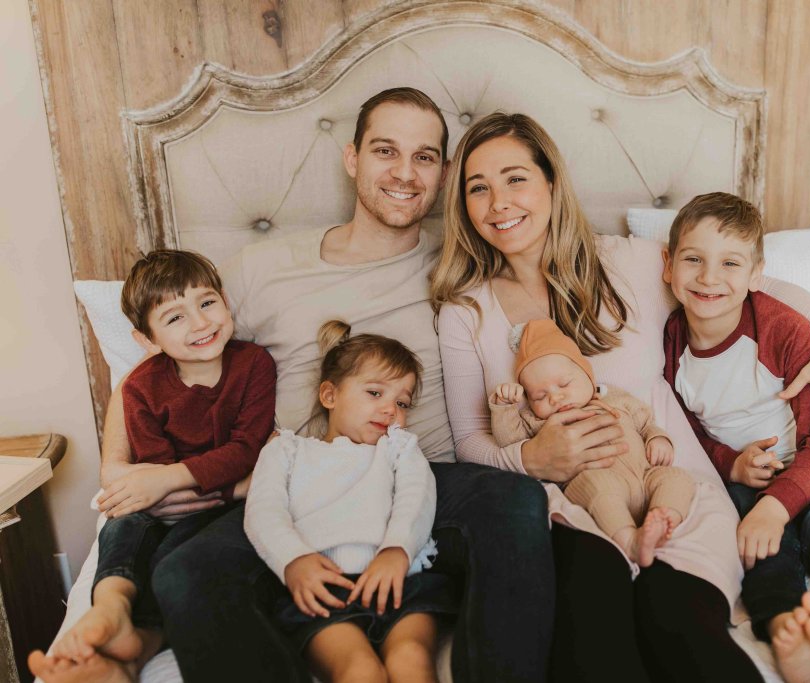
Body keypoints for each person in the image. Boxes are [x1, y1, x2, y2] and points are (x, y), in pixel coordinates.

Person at [90, 88, 552, 683]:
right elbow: (156, 366)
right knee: (185, 572)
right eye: (387, 150)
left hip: (418, 476)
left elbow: (545, 285)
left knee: (516, 500)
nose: (405, 174)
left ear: (443, 172)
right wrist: (117, 473)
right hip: (293, 480)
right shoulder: (265, 269)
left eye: (426, 156)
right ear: (353, 157)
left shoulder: (462, 260)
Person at [430, 112, 810, 682]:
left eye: (515, 179)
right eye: (477, 188)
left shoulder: (629, 263)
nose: (498, 202)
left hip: (675, 489)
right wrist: (530, 459)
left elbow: (749, 279)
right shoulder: (466, 313)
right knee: (594, 627)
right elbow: (469, 442)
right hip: (568, 512)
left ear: (551, 184)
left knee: (680, 622)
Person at [662, 192, 810, 683]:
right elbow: (687, 429)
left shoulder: (783, 329)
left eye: (730, 263)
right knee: (757, 548)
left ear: (756, 274)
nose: (709, 277)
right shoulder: (670, 342)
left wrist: (779, 504)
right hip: (746, 473)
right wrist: (731, 464)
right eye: (693, 259)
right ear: (668, 265)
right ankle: (787, 630)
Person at [29, 250, 275, 682]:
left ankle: (136, 637)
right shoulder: (141, 388)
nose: (200, 323)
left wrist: (170, 479)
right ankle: (110, 605)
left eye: (206, 302)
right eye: (175, 317)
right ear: (147, 339)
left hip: (222, 502)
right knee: (123, 520)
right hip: (166, 499)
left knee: (171, 559)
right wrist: (159, 484)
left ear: (225, 302)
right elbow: (151, 468)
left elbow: (247, 448)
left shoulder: (254, 365)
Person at [246, 320, 458, 683]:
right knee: (359, 670)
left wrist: (397, 551)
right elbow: (264, 511)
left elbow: (416, 497)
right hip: (324, 588)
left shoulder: (399, 449)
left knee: (410, 659)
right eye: (375, 393)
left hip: (400, 580)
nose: (391, 410)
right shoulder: (287, 449)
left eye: (402, 402)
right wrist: (293, 560)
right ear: (329, 396)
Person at [491, 318, 694, 566]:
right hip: (599, 480)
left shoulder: (615, 399)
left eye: (564, 384)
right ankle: (630, 540)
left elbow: (645, 422)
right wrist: (504, 408)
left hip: (645, 473)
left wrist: (658, 437)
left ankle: (660, 518)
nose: (556, 398)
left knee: (678, 479)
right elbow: (511, 442)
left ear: (588, 375)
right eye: (540, 396)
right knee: (597, 487)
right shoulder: (538, 422)